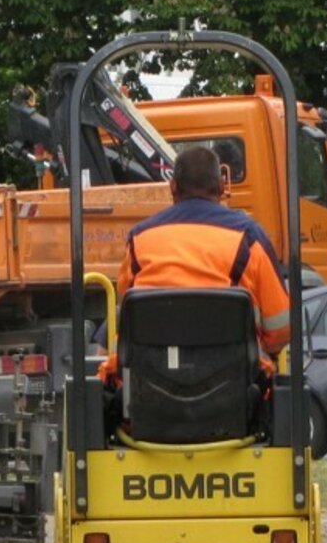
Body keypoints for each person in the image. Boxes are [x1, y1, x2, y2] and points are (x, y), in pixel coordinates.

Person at [107, 143, 291, 374]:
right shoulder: (249, 238)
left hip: (149, 389)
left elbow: (126, 315)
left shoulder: (140, 238)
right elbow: (281, 328)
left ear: (173, 187)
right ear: (222, 186)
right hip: (235, 392)